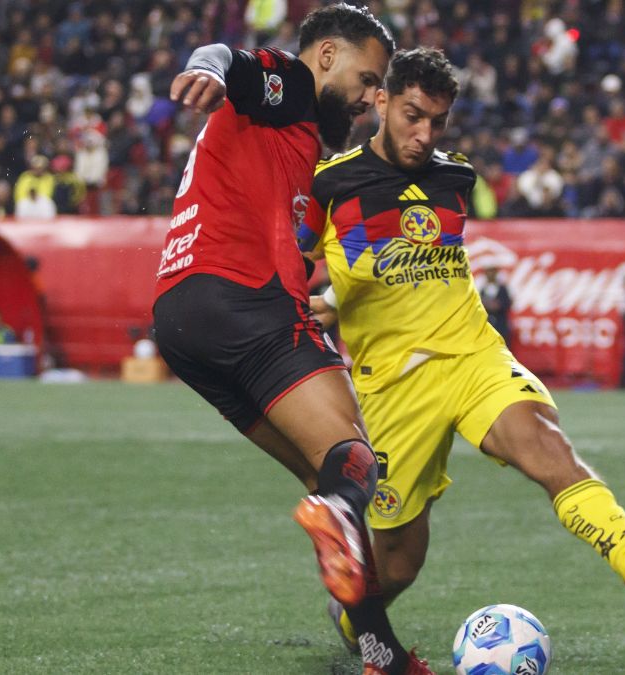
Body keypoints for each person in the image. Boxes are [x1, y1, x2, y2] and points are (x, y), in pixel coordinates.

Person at [300, 49, 625, 653]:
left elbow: (417, 262)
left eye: (438, 121)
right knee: (400, 561)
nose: (425, 134)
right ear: (381, 101)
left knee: (547, 444)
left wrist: (343, 292)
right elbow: (298, 267)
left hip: (472, 354)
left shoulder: (455, 178)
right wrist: (323, 302)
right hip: (393, 387)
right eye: (412, 115)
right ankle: (354, 620)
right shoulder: (330, 184)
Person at [149, 8, 430, 674]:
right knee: (355, 460)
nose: (370, 98)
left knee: (324, 472)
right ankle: (342, 531)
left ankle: (380, 653)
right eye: (368, 79)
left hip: (180, 314)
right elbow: (238, 63)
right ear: (327, 55)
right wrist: (208, 66)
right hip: (244, 297)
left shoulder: (292, 139)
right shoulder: (295, 87)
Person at [478, 266, 512, 347]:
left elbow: (508, 303)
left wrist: (498, 305)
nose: (490, 274)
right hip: (488, 327)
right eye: (488, 271)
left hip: (501, 326)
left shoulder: (502, 288)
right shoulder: (482, 289)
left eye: (492, 271)